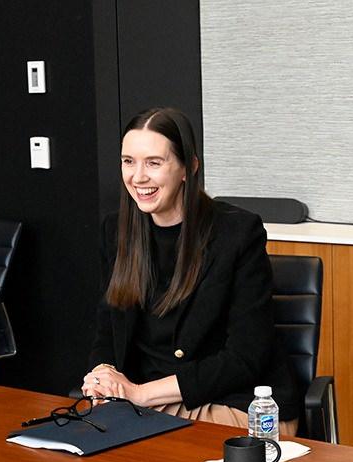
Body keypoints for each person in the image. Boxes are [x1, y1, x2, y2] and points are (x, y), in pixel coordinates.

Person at [81, 107, 298, 433]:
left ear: (189, 167)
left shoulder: (237, 233)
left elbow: (245, 358)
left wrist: (139, 394)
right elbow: (107, 329)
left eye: (154, 163)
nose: (138, 177)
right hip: (145, 404)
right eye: (128, 161)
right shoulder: (116, 232)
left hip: (234, 404)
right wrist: (103, 376)